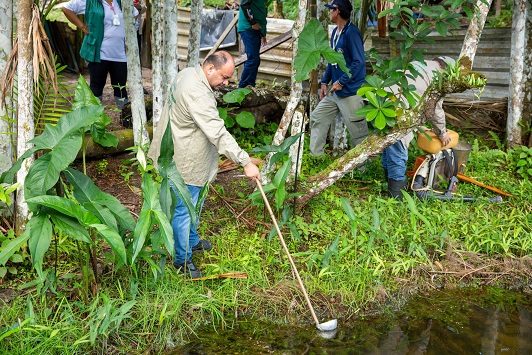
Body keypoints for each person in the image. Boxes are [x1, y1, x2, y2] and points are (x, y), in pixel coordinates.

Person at [148, 51, 261, 279]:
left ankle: (191, 242)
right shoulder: (198, 93)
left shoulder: (189, 73)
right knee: (183, 210)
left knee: (192, 204)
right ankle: (182, 260)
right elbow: (217, 133)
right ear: (210, 69)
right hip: (184, 159)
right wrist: (245, 162)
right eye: (224, 77)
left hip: (182, 149)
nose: (226, 83)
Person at [382, 57, 455, 199]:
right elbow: (435, 110)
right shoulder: (437, 77)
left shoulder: (419, 64)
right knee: (398, 151)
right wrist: (442, 133)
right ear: (446, 69)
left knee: (388, 147)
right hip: (396, 111)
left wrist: (418, 125)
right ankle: (396, 196)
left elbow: (414, 98)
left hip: (381, 105)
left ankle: (388, 185)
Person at [309, 0, 368, 156]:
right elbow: (333, 60)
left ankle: (364, 168)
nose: (329, 13)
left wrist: (342, 81)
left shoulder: (352, 33)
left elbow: (359, 61)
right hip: (335, 91)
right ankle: (316, 158)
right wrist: (324, 82)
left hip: (350, 92)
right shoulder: (336, 32)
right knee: (318, 117)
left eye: (331, 10)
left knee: (358, 133)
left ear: (338, 11)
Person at [62, 0, 138, 108]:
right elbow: (66, 8)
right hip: (99, 53)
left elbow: (135, 13)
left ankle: (124, 116)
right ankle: (94, 119)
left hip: (120, 54)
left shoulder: (122, 2)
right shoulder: (90, 2)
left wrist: (126, 29)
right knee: (97, 86)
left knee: (120, 87)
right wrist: (83, 26)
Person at [237, 0, 267, 88]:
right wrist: (253, 22)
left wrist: (263, 33)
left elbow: (260, 10)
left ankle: (250, 86)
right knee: (253, 59)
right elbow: (244, 4)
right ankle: (242, 87)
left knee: (254, 60)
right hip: (249, 28)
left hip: (255, 29)